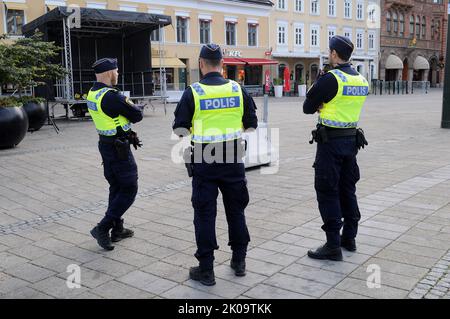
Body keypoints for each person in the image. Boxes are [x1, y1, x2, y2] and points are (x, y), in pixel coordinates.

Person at [173, 44, 258, 286]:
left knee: (204, 215)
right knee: (236, 212)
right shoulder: (237, 89)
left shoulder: (193, 92)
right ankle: (239, 261)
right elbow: (251, 124)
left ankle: (206, 270)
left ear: (201, 63)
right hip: (232, 159)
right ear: (222, 63)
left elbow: (179, 129)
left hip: (204, 162)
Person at [303, 36, 369, 261]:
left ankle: (332, 244)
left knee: (327, 189)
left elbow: (307, 107)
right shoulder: (361, 80)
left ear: (333, 54)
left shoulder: (331, 79)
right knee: (347, 189)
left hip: (330, 143)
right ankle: (349, 237)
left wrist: (320, 101)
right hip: (351, 142)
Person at [87, 58, 144, 251]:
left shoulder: (93, 93)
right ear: (110, 73)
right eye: (116, 71)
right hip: (119, 149)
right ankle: (103, 228)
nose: (118, 74)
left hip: (105, 145)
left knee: (116, 187)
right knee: (129, 188)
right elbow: (137, 115)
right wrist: (135, 108)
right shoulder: (112, 96)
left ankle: (117, 229)